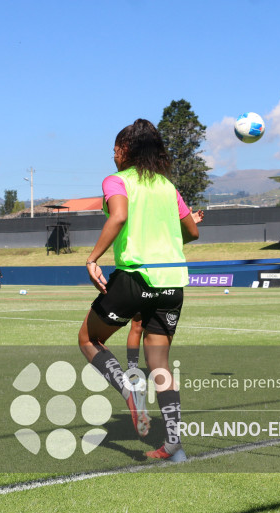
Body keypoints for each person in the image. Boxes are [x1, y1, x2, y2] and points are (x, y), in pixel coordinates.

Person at [78, 118, 199, 462]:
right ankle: (173, 443)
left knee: (88, 338)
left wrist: (92, 258)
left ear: (126, 150)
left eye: (115, 150)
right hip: (172, 282)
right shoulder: (167, 186)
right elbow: (192, 232)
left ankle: (129, 388)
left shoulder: (117, 180)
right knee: (159, 362)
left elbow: (118, 217)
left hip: (135, 278)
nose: (114, 156)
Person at [126, 210, 204, 371]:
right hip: (143, 275)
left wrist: (187, 224)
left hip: (166, 278)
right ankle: (132, 370)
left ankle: (157, 368)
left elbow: (176, 242)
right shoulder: (143, 222)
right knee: (137, 324)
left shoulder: (165, 225)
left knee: (156, 328)